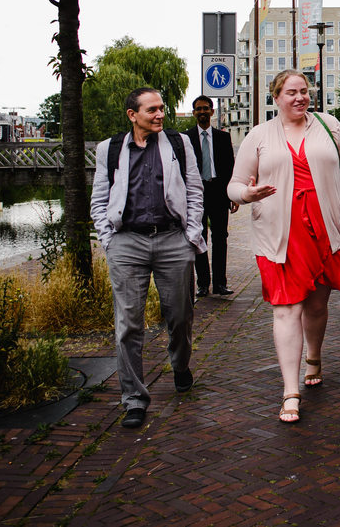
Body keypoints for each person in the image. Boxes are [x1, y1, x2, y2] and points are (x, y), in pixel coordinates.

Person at [228, 70, 340, 422]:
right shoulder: (259, 135)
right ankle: (290, 391)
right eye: (291, 92)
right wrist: (246, 194)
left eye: (304, 91)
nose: (300, 98)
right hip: (279, 231)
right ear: (276, 97)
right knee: (286, 308)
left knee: (316, 305)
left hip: (324, 227)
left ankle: (313, 356)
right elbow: (234, 184)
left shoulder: (329, 126)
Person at [90, 87, 204, 429]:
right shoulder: (109, 150)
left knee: (180, 316)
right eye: (152, 110)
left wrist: (191, 235)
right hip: (126, 243)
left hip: (172, 240)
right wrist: (109, 240)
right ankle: (134, 399)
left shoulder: (179, 144)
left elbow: (194, 189)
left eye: (161, 109)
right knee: (128, 325)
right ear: (132, 115)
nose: (160, 115)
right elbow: (99, 198)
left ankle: (180, 365)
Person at [186, 95, 239, 298]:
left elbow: (230, 168)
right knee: (199, 238)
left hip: (219, 192)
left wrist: (233, 194)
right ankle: (202, 284)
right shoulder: (187, 138)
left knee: (220, 238)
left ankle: (220, 284)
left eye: (205, 108)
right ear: (194, 113)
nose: (202, 112)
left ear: (212, 111)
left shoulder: (223, 138)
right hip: (196, 194)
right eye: (198, 109)